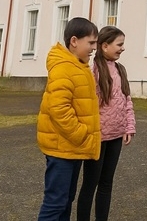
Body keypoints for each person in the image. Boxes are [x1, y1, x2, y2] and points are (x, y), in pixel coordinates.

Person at [36, 17, 101, 221]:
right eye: (90, 43)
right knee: (55, 203)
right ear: (74, 41)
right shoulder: (64, 67)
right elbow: (59, 109)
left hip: (71, 148)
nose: (94, 48)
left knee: (65, 201)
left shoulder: (79, 66)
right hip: (62, 148)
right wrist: (81, 134)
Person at [76, 26, 136, 221]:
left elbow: (127, 100)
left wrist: (129, 126)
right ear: (104, 46)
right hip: (98, 138)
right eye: (119, 44)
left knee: (106, 184)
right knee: (90, 184)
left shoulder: (121, 70)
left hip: (116, 136)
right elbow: (87, 105)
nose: (122, 48)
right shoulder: (93, 71)